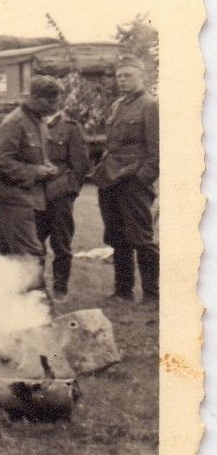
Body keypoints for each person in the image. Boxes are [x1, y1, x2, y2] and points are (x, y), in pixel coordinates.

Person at [92, 56, 159, 304]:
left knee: (141, 237)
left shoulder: (150, 105)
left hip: (134, 181)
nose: (122, 80)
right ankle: (123, 291)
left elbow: (157, 150)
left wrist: (142, 179)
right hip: (111, 179)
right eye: (119, 76)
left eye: (127, 75)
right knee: (117, 237)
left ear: (142, 77)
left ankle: (152, 295)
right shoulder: (118, 105)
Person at [0, 76, 62, 278]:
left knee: (3, 251)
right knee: (30, 254)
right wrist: (36, 172)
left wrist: (45, 166)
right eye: (51, 101)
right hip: (12, 196)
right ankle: (40, 305)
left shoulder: (38, 121)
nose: (56, 105)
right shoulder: (15, 123)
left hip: (24, 194)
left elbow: (31, 154)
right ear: (35, 97)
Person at [36, 103, 91, 297]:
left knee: (61, 243)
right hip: (35, 193)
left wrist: (69, 191)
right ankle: (36, 289)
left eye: (50, 99)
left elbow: (80, 165)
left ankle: (60, 289)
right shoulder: (32, 125)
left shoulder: (71, 128)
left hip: (60, 195)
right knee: (34, 242)